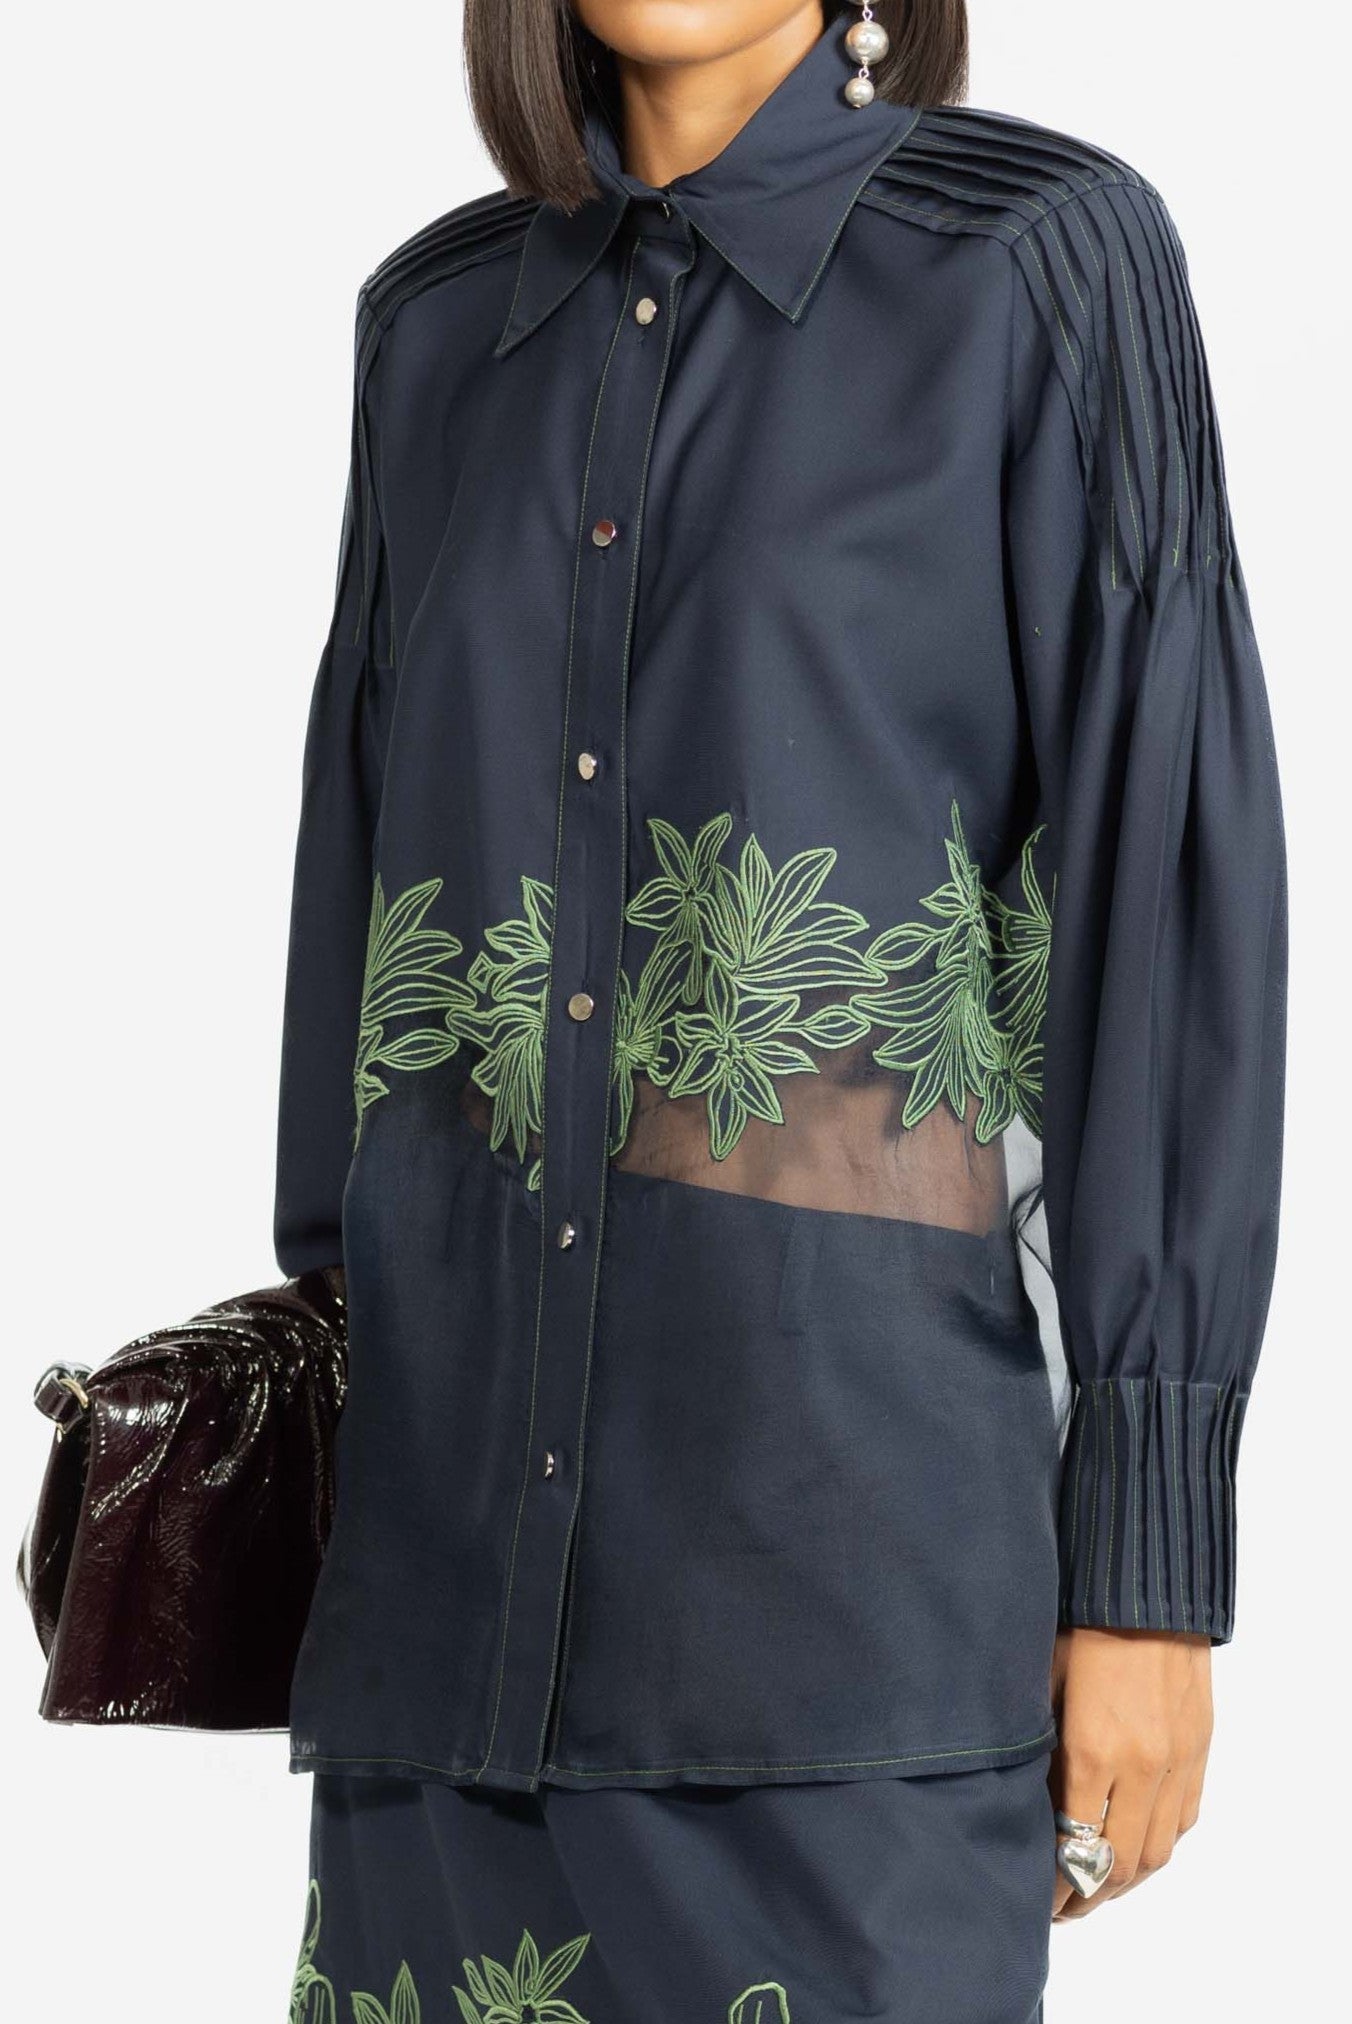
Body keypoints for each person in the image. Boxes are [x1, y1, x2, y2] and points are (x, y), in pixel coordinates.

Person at [274, 3, 1286, 2018]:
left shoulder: (1039, 262)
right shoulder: (433, 329)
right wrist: (310, 1409)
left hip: (845, 1646)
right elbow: (362, 920)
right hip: (442, 1665)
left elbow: (1161, 902)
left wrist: (1150, 1580)